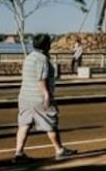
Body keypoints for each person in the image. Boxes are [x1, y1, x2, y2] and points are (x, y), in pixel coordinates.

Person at [13, 34, 77, 163]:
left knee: (24, 124)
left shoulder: (29, 57)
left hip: (25, 96)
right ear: (47, 45)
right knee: (50, 124)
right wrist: (46, 95)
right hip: (38, 97)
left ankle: (19, 153)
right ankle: (59, 150)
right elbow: (42, 78)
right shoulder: (42, 59)